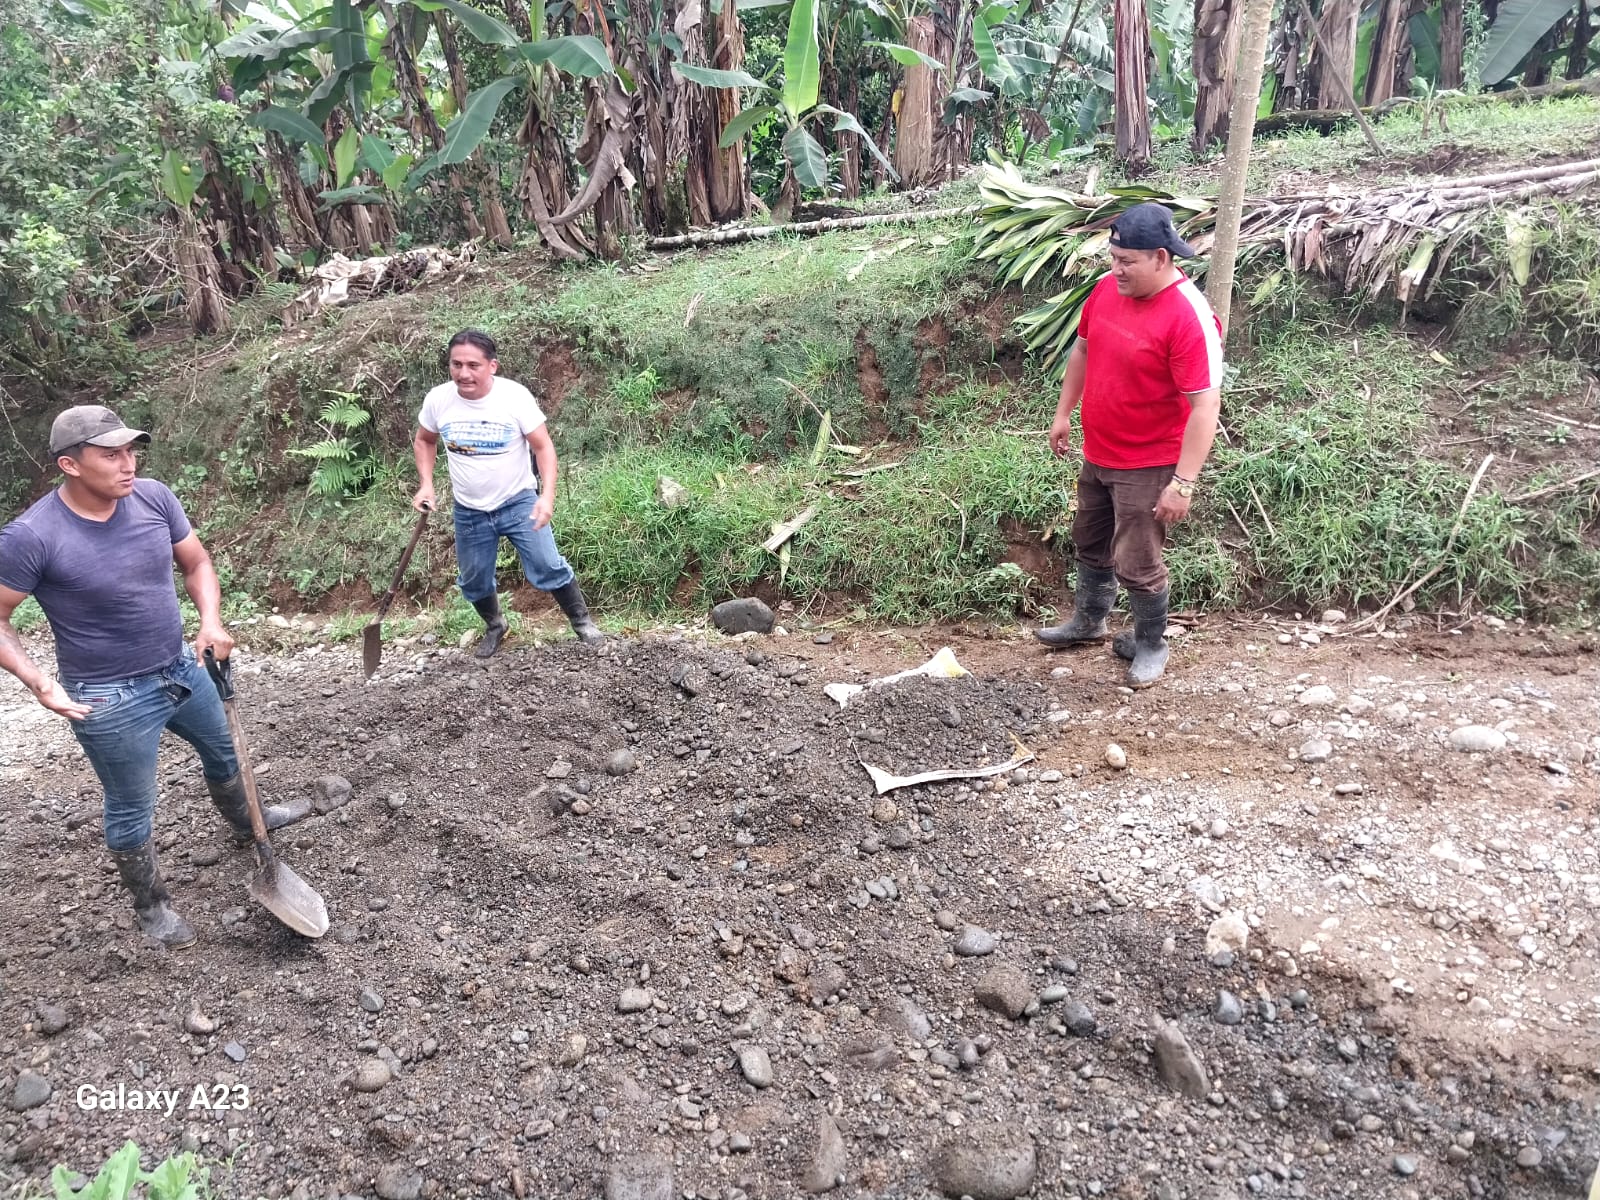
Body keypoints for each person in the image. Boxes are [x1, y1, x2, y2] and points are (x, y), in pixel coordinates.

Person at [0, 406, 305, 949]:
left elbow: (197, 563)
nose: (129, 464)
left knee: (227, 753)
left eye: (131, 451)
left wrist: (210, 620)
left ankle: (249, 823)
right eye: (111, 455)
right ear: (70, 464)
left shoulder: (154, 498)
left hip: (182, 668)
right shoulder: (32, 536)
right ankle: (152, 907)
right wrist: (39, 682)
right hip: (107, 697)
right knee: (131, 803)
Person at [1035, 203, 1224, 688]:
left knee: (1137, 559)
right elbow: (1083, 349)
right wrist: (1063, 413)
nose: (1115, 269)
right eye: (1113, 258)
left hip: (1149, 460)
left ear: (1160, 257)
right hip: (1100, 450)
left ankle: (1151, 643)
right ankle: (1089, 620)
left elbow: (1205, 406)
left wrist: (1183, 483)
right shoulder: (1105, 290)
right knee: (1090, 537)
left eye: (1127, 261)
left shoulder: (1188, 317)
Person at [412, 329, 603, 655]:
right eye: (456, 364)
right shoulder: (438, 400)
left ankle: (583, 623)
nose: (463, 373)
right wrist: (426, 483)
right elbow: (424, 440)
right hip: (470, 510)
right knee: (473, 580)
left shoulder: (514, 398)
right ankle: (496, 625)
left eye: (473, 365)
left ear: (492, 366)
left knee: (547, 564)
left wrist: (547, 496)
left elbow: (543, 447)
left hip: (518, 502)